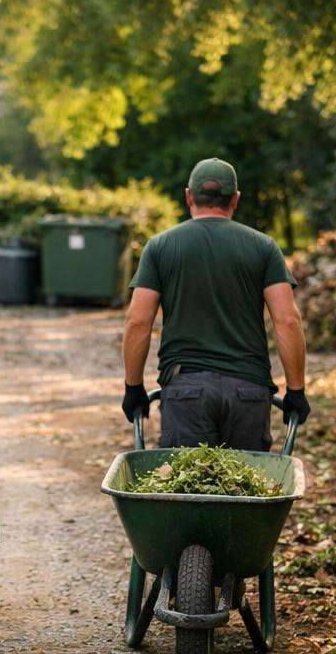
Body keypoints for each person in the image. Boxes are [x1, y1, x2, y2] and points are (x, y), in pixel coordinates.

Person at [121, 157, 310, 449]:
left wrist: (133, 387)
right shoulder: (264, 247)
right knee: (245, 488)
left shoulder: (160, 247)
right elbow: (287, 320)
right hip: (247, 392)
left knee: (186, 489)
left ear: (188, 196)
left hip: (186, 393)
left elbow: (138, 321)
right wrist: (296, 390)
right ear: (235, 199)